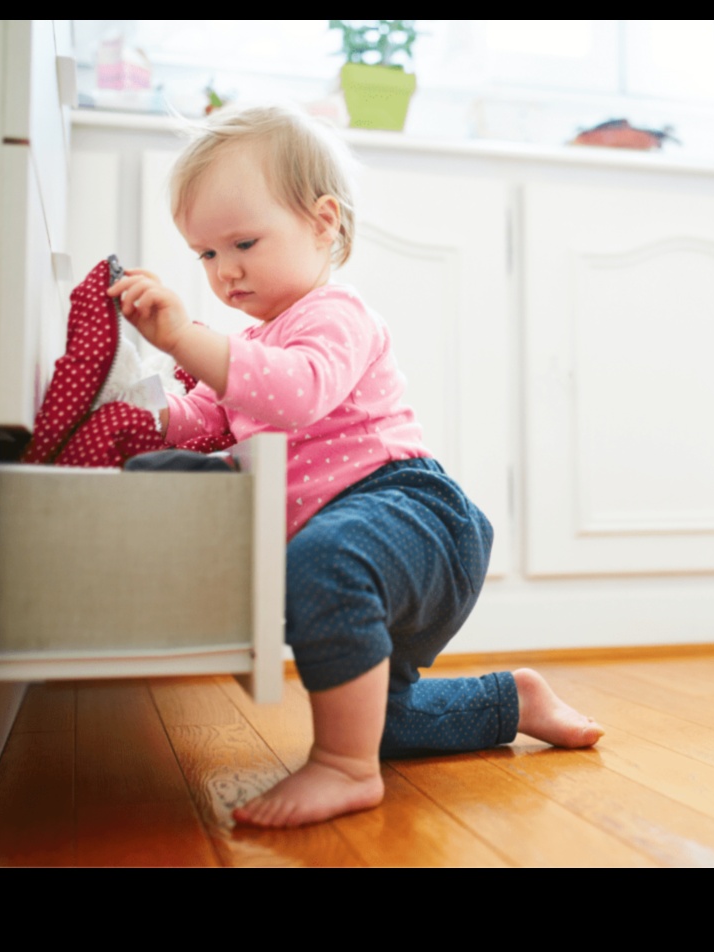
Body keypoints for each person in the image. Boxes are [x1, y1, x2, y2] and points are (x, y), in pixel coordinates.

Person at [108, 103, 603, 828]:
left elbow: (294, 393)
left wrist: (187, 339)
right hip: (359, 543)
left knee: (324, 561)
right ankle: (513, 699)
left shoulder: (333, 316)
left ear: (324, 222)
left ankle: (344, 768)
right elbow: (206, 425)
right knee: (385, 717)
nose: (225, 270)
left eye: (243, 241)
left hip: (413, 515)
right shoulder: (251, 346)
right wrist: (136, 414)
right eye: (206, 254)